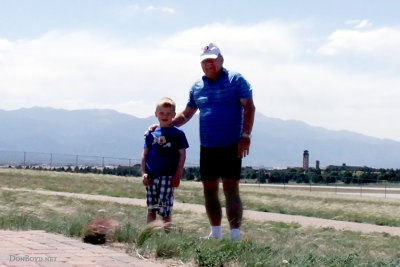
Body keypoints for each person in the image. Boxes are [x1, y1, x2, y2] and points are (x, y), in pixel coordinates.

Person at [170, 43, 255, 240]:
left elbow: (249, 107)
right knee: (209, 190)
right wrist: (164, 126)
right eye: (204, 61)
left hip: (232, 144)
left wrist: (246, 136)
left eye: (212, 59)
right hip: (207, 146)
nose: (208, 64)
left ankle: (235, 236)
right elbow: (187, 114)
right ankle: (215, 233)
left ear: (221, 60)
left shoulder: (236, 80)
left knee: (231, 189)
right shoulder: (197, 87)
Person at [141, 97, 189, 229]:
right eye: (161, 113)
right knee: (151, 209)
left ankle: (166, 238)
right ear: (156, 114)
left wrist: (177, 175)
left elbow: (182, 155)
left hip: (167, 177)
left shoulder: (178, 134)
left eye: (168, 113)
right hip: (151, 176)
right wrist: (143, 173)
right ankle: (149, 236)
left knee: (165, 210)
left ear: (174, 115)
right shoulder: (151, 134)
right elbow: (144, 155)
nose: (165, 116)